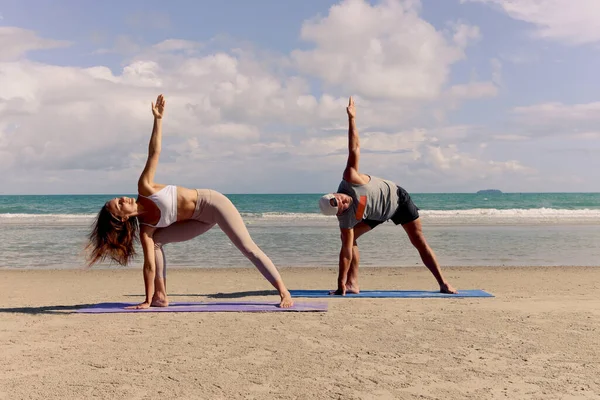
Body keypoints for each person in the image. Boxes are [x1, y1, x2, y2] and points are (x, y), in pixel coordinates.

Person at [87, 94, 294, 308]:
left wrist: (158, 119)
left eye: (119, 199)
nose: (123, 199)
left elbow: (154, 152)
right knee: (156, 243)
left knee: (247, 248)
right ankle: (159, 296)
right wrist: (147, 300)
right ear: (121, 219)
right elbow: (148, 266)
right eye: (119, 205)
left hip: (213, 204)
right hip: (198, 221)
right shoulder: (146, 230)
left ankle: (283, 292)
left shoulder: (145, 188)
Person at [318, 97, 457, 296]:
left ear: (335, 193)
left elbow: (354, 148)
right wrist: (340, 283)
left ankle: (443, 283)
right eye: (338, 206)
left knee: (418, 240)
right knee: (348, 239)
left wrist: (352, 119)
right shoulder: (346, 219)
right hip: (376, 213)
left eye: (337, 198)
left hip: (397, 200)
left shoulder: (350, 178)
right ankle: (351, 284)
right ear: (339, 212)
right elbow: (346, 254)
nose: (341, 201)